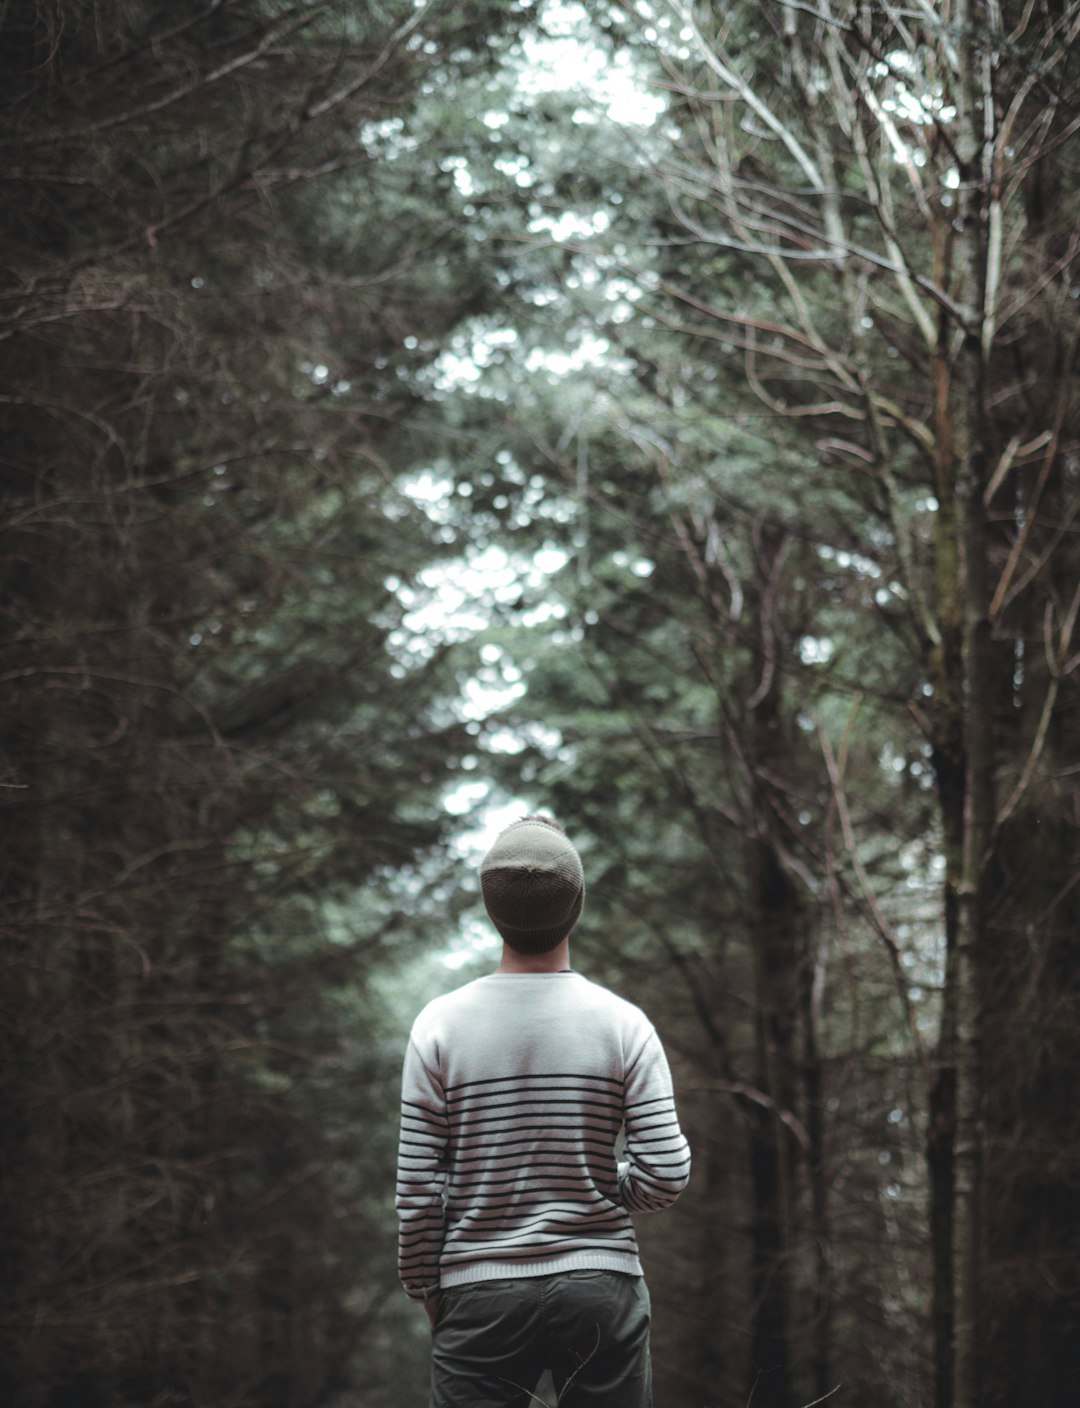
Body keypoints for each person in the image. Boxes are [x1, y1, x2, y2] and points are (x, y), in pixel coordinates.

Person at [396, 814, 691, 1407]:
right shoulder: (623, 1024)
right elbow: (666, 1174)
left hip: (478, 1293)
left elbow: (418, 1188)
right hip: (601, 1289)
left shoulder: (439, 1026)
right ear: (576, 903)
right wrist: (602, 1189)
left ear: (491, 909)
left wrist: (427, 1287)